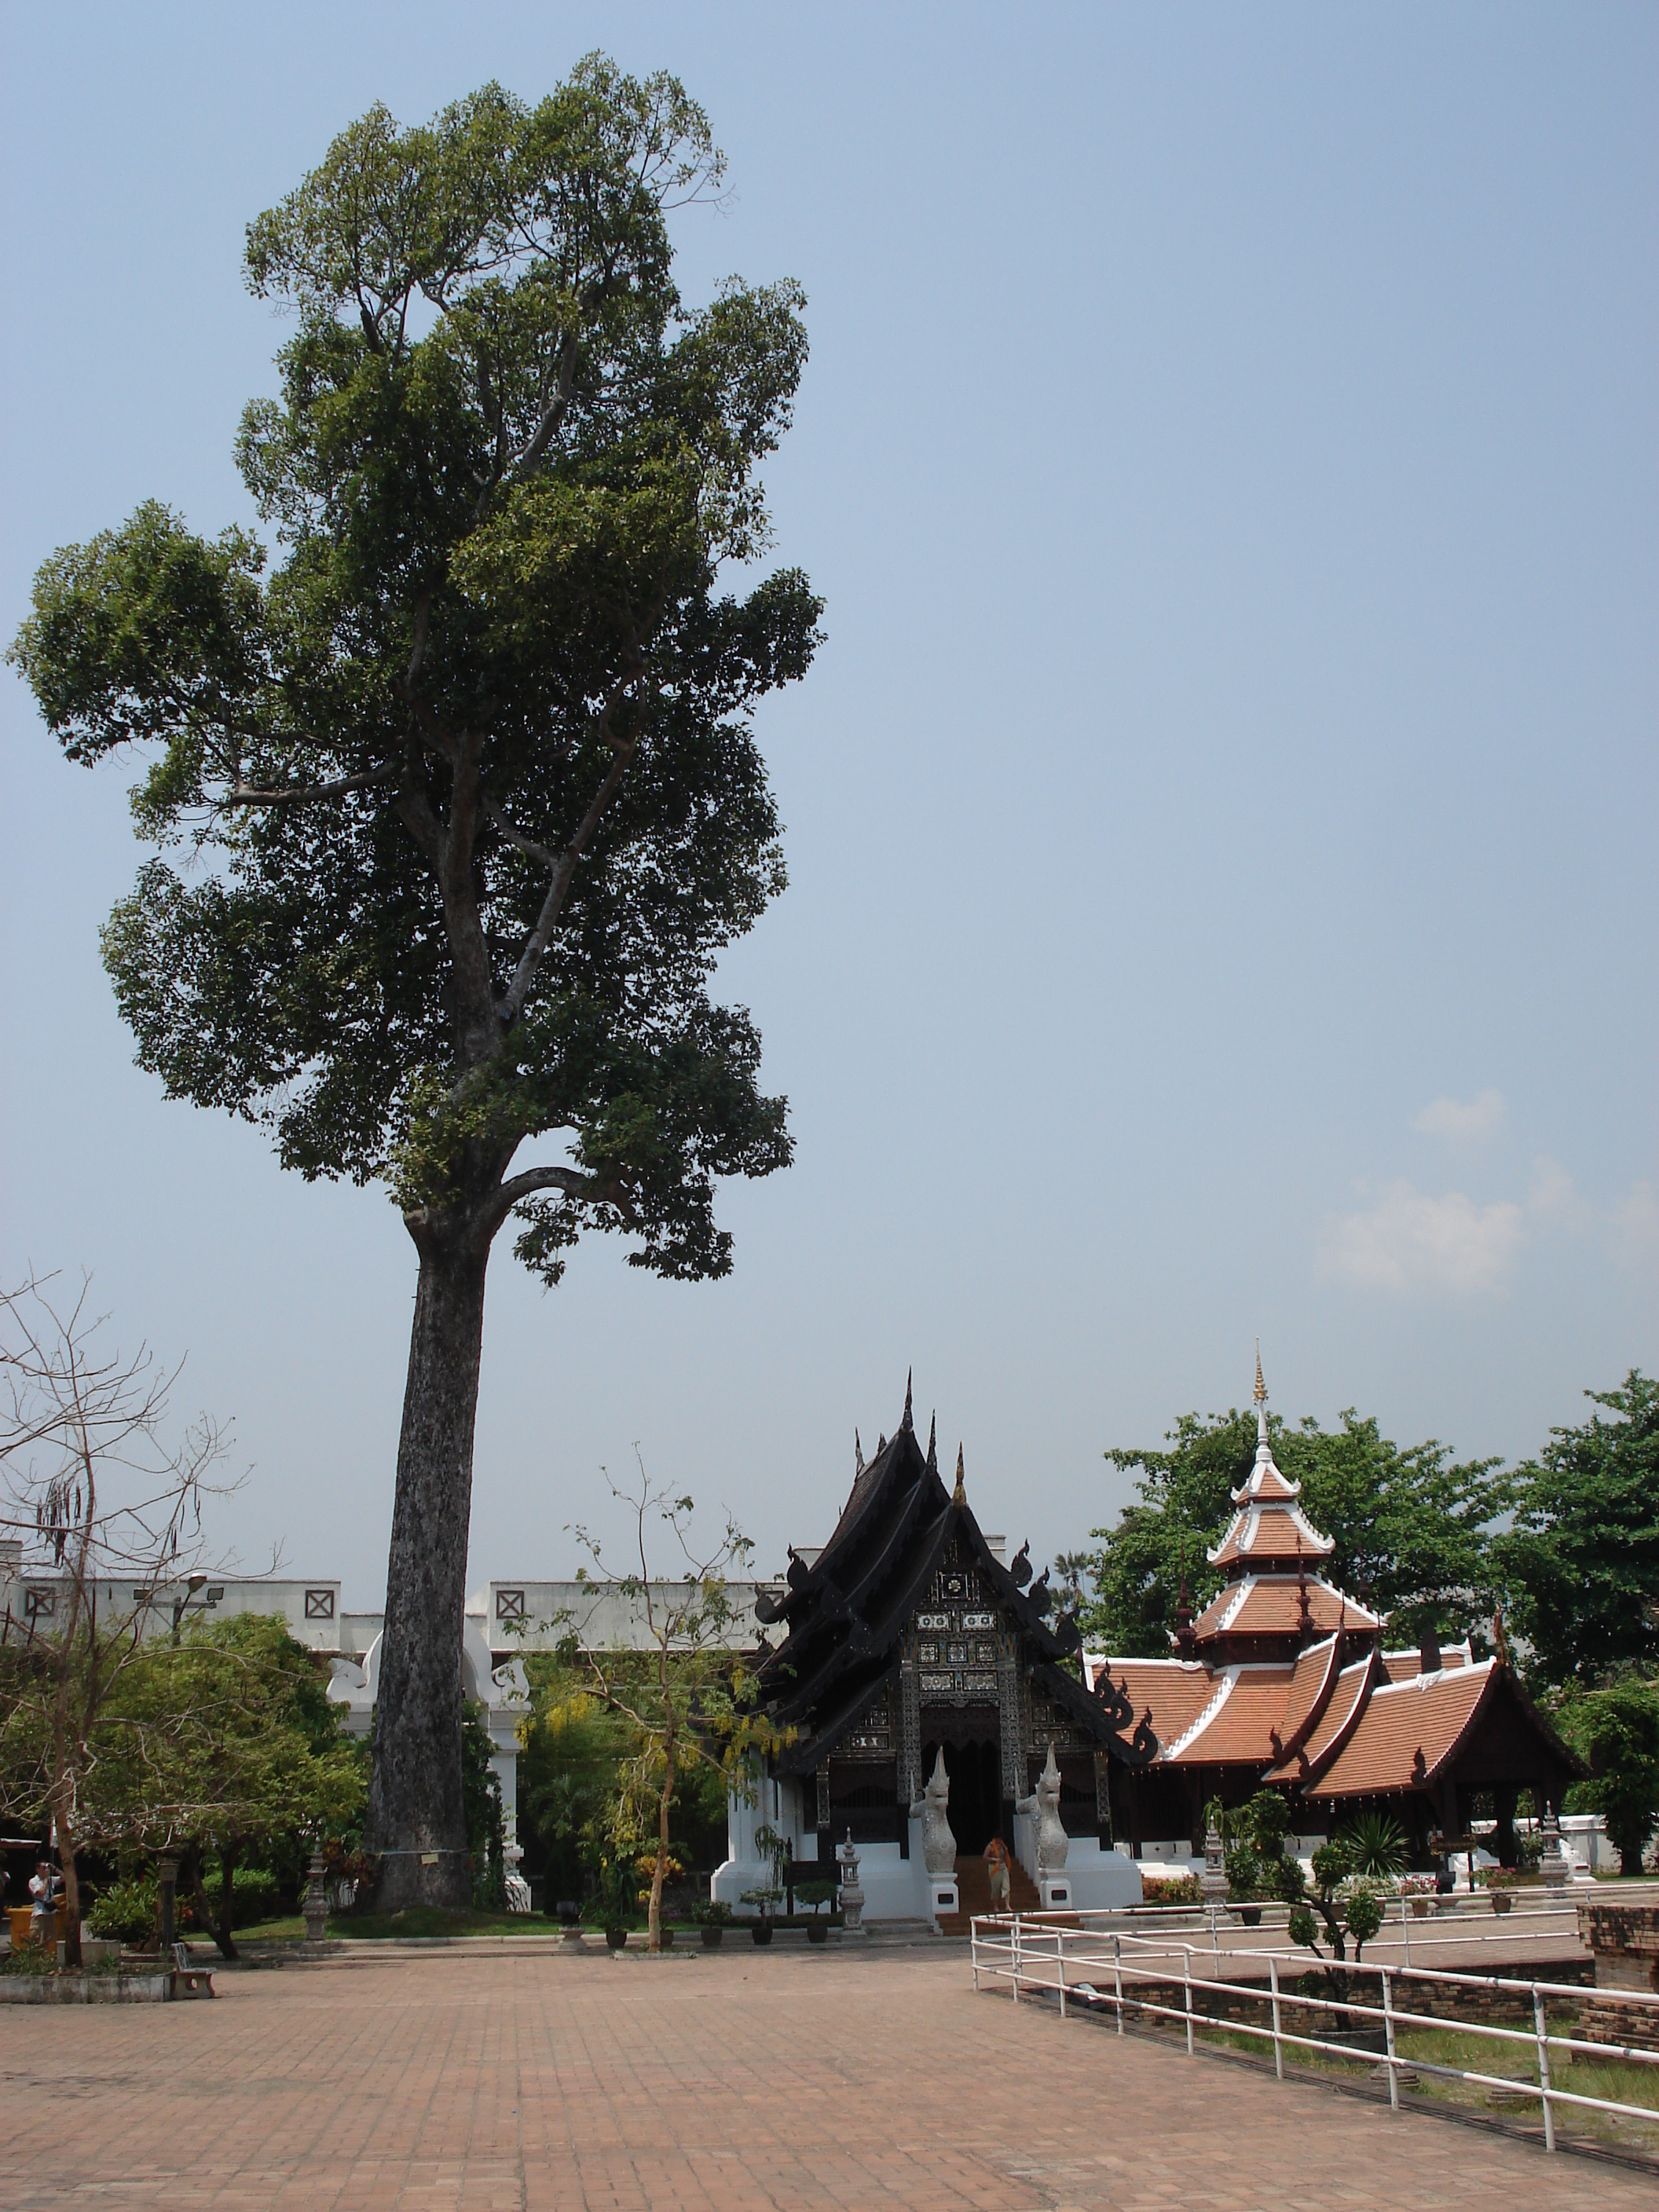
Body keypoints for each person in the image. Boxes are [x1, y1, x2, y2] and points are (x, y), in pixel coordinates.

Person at [28, 1858, 60, 1946]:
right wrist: (45, 1880)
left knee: (50, 1940)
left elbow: (65, 1877)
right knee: (38, 1939)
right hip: (40, 1913)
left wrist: (55, 1869)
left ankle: (47, 1958)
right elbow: (41, 1893)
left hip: (50, 1913)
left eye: (47, 1868)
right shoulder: (33, 1881)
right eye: (44, 1868)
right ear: (37, 1869)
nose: (46, 1870)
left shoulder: (51, 1879)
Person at [983, 1834, 1012, 1909]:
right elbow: (985, 1857)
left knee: (1007, 1885)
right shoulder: (990, 1846)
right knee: (995, 1887)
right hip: (994, 1867)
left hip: (1003, 1866)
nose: (1000, 1841)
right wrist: (994, 1859)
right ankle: (995, 1906)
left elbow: (1005, 1854)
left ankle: (1007, 1905)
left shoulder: (1002, 1845)